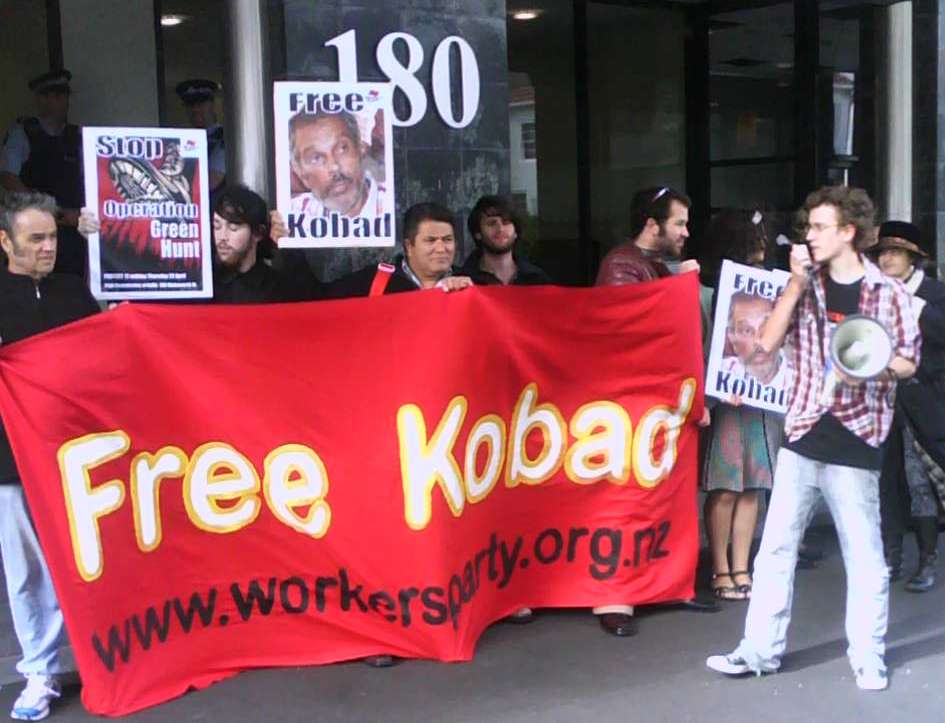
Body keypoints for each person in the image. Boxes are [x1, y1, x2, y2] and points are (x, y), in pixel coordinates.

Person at [706, 186, 919, 692]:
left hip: (856, 438)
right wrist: (796, 286)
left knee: (864, 557)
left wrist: (869, 366)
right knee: (775, 551)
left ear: (849, 232)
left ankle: (868, 657)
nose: (810, 236)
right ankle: (759, 652)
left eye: (820, 227)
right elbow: (765, 345)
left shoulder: (886, 292)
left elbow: (908, 361)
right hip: (802, 433)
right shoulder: (805, 283)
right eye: (809, 227)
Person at [593, 186, 713, 638]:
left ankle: (663, 583)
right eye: (679, 223)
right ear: (652, 224)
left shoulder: (652, 265)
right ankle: (615, 597)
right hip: (633, 405)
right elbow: (633, 334)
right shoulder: (621, 266)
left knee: (662, 496)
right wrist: (676, 286)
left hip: (660, 403)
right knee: (627, 499)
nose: (686, 232)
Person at [0, 191, 101, 720]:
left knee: (86, 561)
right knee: (26, 573)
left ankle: (95, 658)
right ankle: (40, 671)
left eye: (53, 238)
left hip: (73, 456)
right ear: (5, 241)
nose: (47, 248)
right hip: (10, 460)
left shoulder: (73, 291)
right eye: (35, 239)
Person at [701, 210, 782, 602]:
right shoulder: (712, 287)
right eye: (754, 239)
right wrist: (713, 389)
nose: (762, 247)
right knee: (727, 484)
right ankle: (720, 567)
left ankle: (741, 566)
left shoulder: (773, 285)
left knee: (754, 485)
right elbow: (705, 344)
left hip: (762, 398)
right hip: (728, 398)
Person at [79, 185, 313, 303]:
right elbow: (138, 305)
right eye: (216, 225)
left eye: (233, 228)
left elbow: (322, 305)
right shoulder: (195, 286)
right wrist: (99, 238)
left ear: (258, 233)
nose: (222, 236)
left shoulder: (278, 288)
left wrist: (290, 243)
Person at [871, 221, 945, 591]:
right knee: (886, 480)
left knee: (921, 482)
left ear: (912, 258)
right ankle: (890, 557)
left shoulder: (933, 293)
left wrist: (914, 307)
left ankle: (927, 559)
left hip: (924, 400)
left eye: (895, 253)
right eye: (883, 252)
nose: (887, 259)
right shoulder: (873, 294)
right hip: (882, 400)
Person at [0, 70, 86, 277]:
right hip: (32, 232)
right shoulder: (23, 132)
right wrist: (50, 212)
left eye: (63, 95)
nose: (60, 101)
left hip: (71, 235)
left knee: (70, 291)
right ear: (40, 99)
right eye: (52, 95)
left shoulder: (77, 136)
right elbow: (8, 176)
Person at [315, 202, 472, 298]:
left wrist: (471, 295)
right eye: (430, 240)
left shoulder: (471, 283)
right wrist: (290, 252)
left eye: (447, 240)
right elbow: (316, 302)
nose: (441, 248)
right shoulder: (374, 281)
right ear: (409, 246)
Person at [288, 109, 387, 221]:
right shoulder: (292, 215)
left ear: (360, 147)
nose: (334, 167)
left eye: (342, 148)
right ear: (300, 171)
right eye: (316, 158)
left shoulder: (393, 205)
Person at [460, 195, 550, 285]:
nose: (500, 229)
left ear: (516, 232)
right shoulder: (462, 281)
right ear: (478, 233)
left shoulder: (537, 279)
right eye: (492, 223)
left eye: (506, 222)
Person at [175, 79, 225, 197]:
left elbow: (212, 180)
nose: (195, 109)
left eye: (201, 103)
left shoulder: (224, 138)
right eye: (190, 104)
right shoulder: (181, 141)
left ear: (212, 105)